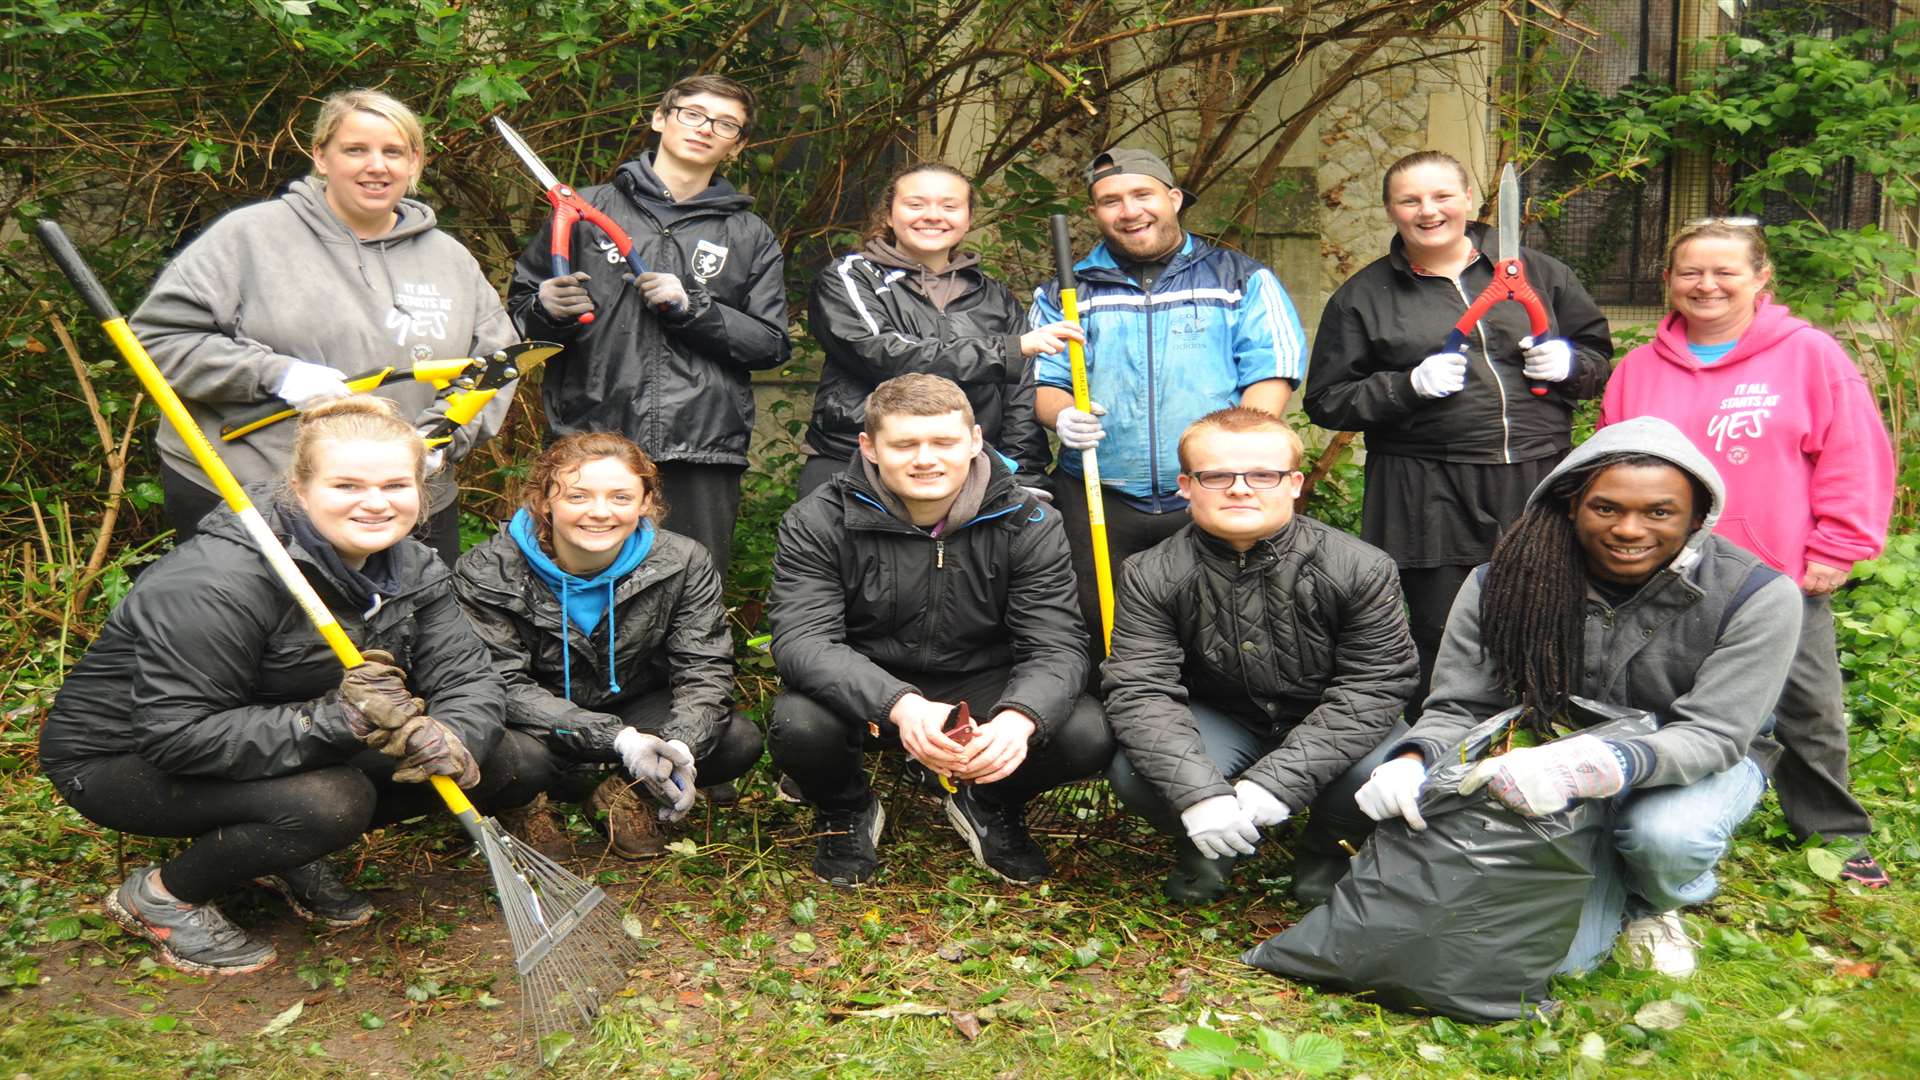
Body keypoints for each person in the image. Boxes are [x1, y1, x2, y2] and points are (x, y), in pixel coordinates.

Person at [40, 398, 542, 976]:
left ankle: (282, 850)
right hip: (122, 757)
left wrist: (453, 735)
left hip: (282, 729)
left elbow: (468, 676)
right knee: (330, 802)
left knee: (509, 758)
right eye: (347, 485)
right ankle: (162, 896)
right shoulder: (218, 581)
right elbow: (175, 736)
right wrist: (342, 721)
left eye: (395, 485)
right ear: (300, 489)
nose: (376, 502)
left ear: (421, 492)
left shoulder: (412, 568)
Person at [1355, 417, 1803, 978]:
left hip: (1688, 765)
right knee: (1567, 965)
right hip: (1536, 761)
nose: (1629, 529)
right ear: (1572, 506)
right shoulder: (1505, 582)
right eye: (1607, 508)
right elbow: (1463, 707)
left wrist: (1604, 764)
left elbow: (1714, 735)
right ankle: (1590, 878)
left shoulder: (1756, 596)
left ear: (1696, 517)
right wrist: (1413, 759)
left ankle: (1652, 904)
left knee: (1667, 836)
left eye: (1660, 512)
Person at [1600, 219, 1896, 886]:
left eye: (1725, 271)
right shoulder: (1638, 369)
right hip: (1662, 570)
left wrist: (1840, 543)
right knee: (1664, 698)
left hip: (1775, 573)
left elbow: (1852, 452)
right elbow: (1610, 464)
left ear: (1761, 279)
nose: (1706, 285)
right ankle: (1659, 816)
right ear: (1669, 281)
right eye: (1690, 272)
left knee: (1807, 706)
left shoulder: (1808, 354)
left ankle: (1833, 832)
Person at [132, 89, 520, 565]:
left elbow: (496, 365)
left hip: (403, 502)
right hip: (253, 491)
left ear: (415, 161)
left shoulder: (450, 260)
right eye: (355, 149)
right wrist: (276, 375)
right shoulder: (250, 237)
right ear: (320, 156)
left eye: (393, 151)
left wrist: (442, 437)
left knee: (404, 635)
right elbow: (159, 339)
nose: (375, 166)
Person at [767, 374, 1113, 887]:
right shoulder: (818, 519)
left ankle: (990, 803)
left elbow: (1057, 645)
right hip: (869, 685)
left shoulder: (1030, 520)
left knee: (1087, 730)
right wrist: (901, 705)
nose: (925, 459)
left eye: (944, 442)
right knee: (798, 723)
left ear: (975, 441)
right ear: (870, 447)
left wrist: (1018, 719)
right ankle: (848, 810)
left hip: (984, 685)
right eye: (905, 444)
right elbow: (803, 641)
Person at [1304, 151, 1612, 716]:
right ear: (1391, 211)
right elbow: (1326, 400)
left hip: (1539, 476)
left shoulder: (1539, 272)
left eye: (1442, 195)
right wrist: (1405, 387)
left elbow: (1598, 358)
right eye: (1410, 200)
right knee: (1441, 632)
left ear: (1469, 199)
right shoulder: (1364, 296)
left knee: (1547, 614)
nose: (1429, 211)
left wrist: (1571, 367)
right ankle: (1437, 758)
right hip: (1424, 489)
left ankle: (1546, 742)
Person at [1103, 408, 1419, 904]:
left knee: (1380, 770)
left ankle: (1326, 853)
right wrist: (1198, 795)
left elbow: (1376, 685)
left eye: (1262, 475)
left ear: (1293, 483)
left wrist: (1278, 783)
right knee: (1135, 770)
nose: (1240, 488)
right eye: (1217, 475)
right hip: (1223, 718)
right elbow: (1141, 690)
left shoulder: (1359, 566)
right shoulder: (1151, 573)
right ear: (1186, 485)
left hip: (1332, 717)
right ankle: (1209, 846)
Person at [1028, 148, 1307, 657]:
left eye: (1142, 194)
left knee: (1217, 626)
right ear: (1094, 214)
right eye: (1110, 201)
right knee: (1098, 628)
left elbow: (1271, 374)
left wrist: (1232, 460)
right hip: (1098, 490)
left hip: (1207, 492)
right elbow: (1044, 383)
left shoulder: (1240, 279)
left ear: (1174, 199)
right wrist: (1061, 415)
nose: (1129, 210)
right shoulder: (1066, 291)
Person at [508, 74, 790, 578]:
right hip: (589, 440)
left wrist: (694, 309)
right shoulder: (584, 212)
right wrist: (546, 309)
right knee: (576, 594)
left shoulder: (749, 234)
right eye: (692, 113)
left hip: (701, 450)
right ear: (661, 118)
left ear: (737, 146)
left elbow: (769, 345)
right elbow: (520, 328)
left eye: (725, 124)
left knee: (692, 598)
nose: (705, 129)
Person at [452, 432, 765, 858]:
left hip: (633, 701)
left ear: (644, 504)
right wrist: (621, 742)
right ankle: (521, 807)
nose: (600, 513)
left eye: (620, 497)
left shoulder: (684, 561)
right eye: (578, 496)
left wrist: (679, 747)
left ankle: (624, 797)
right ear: (544, 501)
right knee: (510, 757)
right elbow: (501, 683)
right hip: (533, 720)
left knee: (737, 739)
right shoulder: (487, 570)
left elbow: (704, 668)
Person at [799, 162, 1077, 496]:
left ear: (968, 219)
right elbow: (882, 353)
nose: (933, 215)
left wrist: (1024, 475)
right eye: (915, 204)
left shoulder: (994, 295)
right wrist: (1007, 351)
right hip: (854, 461)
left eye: (949, 206)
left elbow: (1018, 397)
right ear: (888, 215)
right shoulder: (851, 277)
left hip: (962, 470)